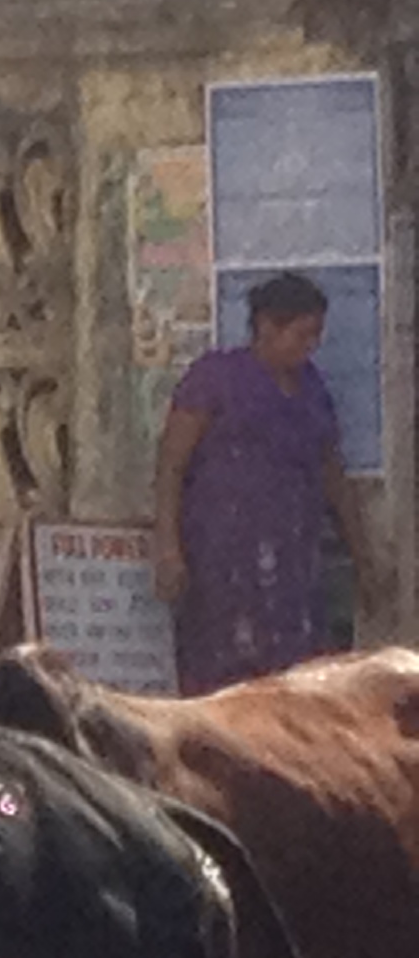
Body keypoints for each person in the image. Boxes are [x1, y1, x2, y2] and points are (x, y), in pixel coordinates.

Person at [154, 270, 384, 694]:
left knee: (296, 678)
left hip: (293, 565)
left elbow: (333, 476)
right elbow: (171, 464)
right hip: (223, 561)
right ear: (266, 327)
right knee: (224, 676)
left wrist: (363, 559)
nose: (311, 345)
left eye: (316, 335)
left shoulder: (311, 388)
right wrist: (168, 547)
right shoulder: (215, 378)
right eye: (302, 334)